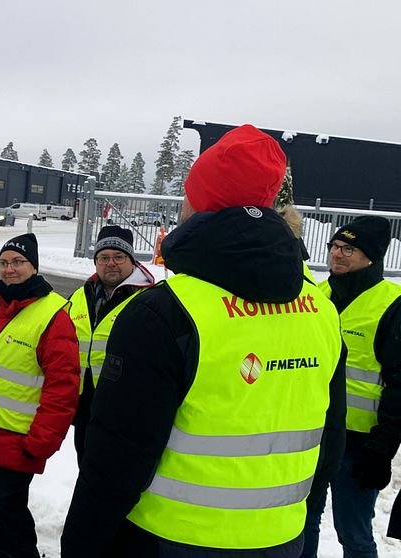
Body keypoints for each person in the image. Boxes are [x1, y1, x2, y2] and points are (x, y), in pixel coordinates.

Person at [61, 124, 346, 556]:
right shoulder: (320, 308)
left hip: (172, 536)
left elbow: (119, 457)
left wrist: (82, 543)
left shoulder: (163, 312)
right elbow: (330, 440)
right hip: (281, 536)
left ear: (197, 202)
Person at [0, 233, 79, 557]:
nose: (10, 269)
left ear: (34, 267)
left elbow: (63, 387)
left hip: (17, 439)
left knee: (6, 511)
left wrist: (42, 441)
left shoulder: (53, 316)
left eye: (18, 262)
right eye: (4, 262)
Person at [303, 215, 401, 557]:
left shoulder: (391, 304)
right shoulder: (318, 294)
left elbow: (400, 386)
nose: (337, 255)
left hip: (360, 444)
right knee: (304, 523)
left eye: (349, 248)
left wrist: (382, 448)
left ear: (371, 257)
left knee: (354, 532)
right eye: (334, 246)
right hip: (315, 433)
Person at [68, 225, 154, 463]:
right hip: (85, 407)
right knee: (86, 467)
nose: (111, 263)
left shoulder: (149, 298)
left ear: (132, 261)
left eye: (119, 257)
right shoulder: (79, 296)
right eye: (104, 257)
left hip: (125, 409)